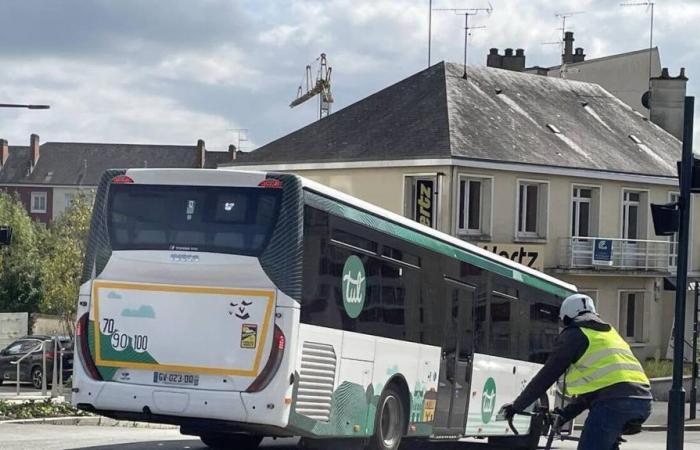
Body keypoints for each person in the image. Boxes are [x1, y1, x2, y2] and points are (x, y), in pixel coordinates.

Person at [500, 293, 652, 450]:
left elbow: (547, 376)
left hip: (613, 404)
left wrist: (517, 407)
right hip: (643, 401)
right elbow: (595, 392)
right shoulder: (610, 334)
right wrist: (565, 415)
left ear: (566, 317)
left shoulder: (574, 334)